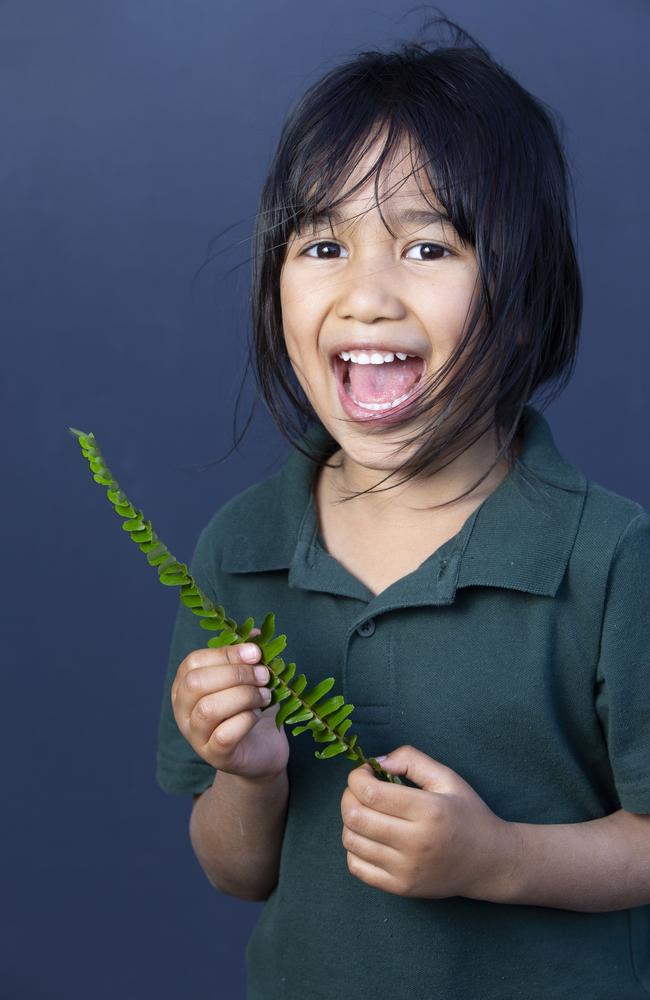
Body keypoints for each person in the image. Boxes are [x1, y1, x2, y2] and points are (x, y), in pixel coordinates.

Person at [156, 16, 650, 1000]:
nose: (366, 295)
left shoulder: (608, 557)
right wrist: (249, 772)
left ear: (523, 291)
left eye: (426, 247)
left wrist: (499, 859)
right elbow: (233, 869)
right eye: (324, 243)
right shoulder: (242, 551)